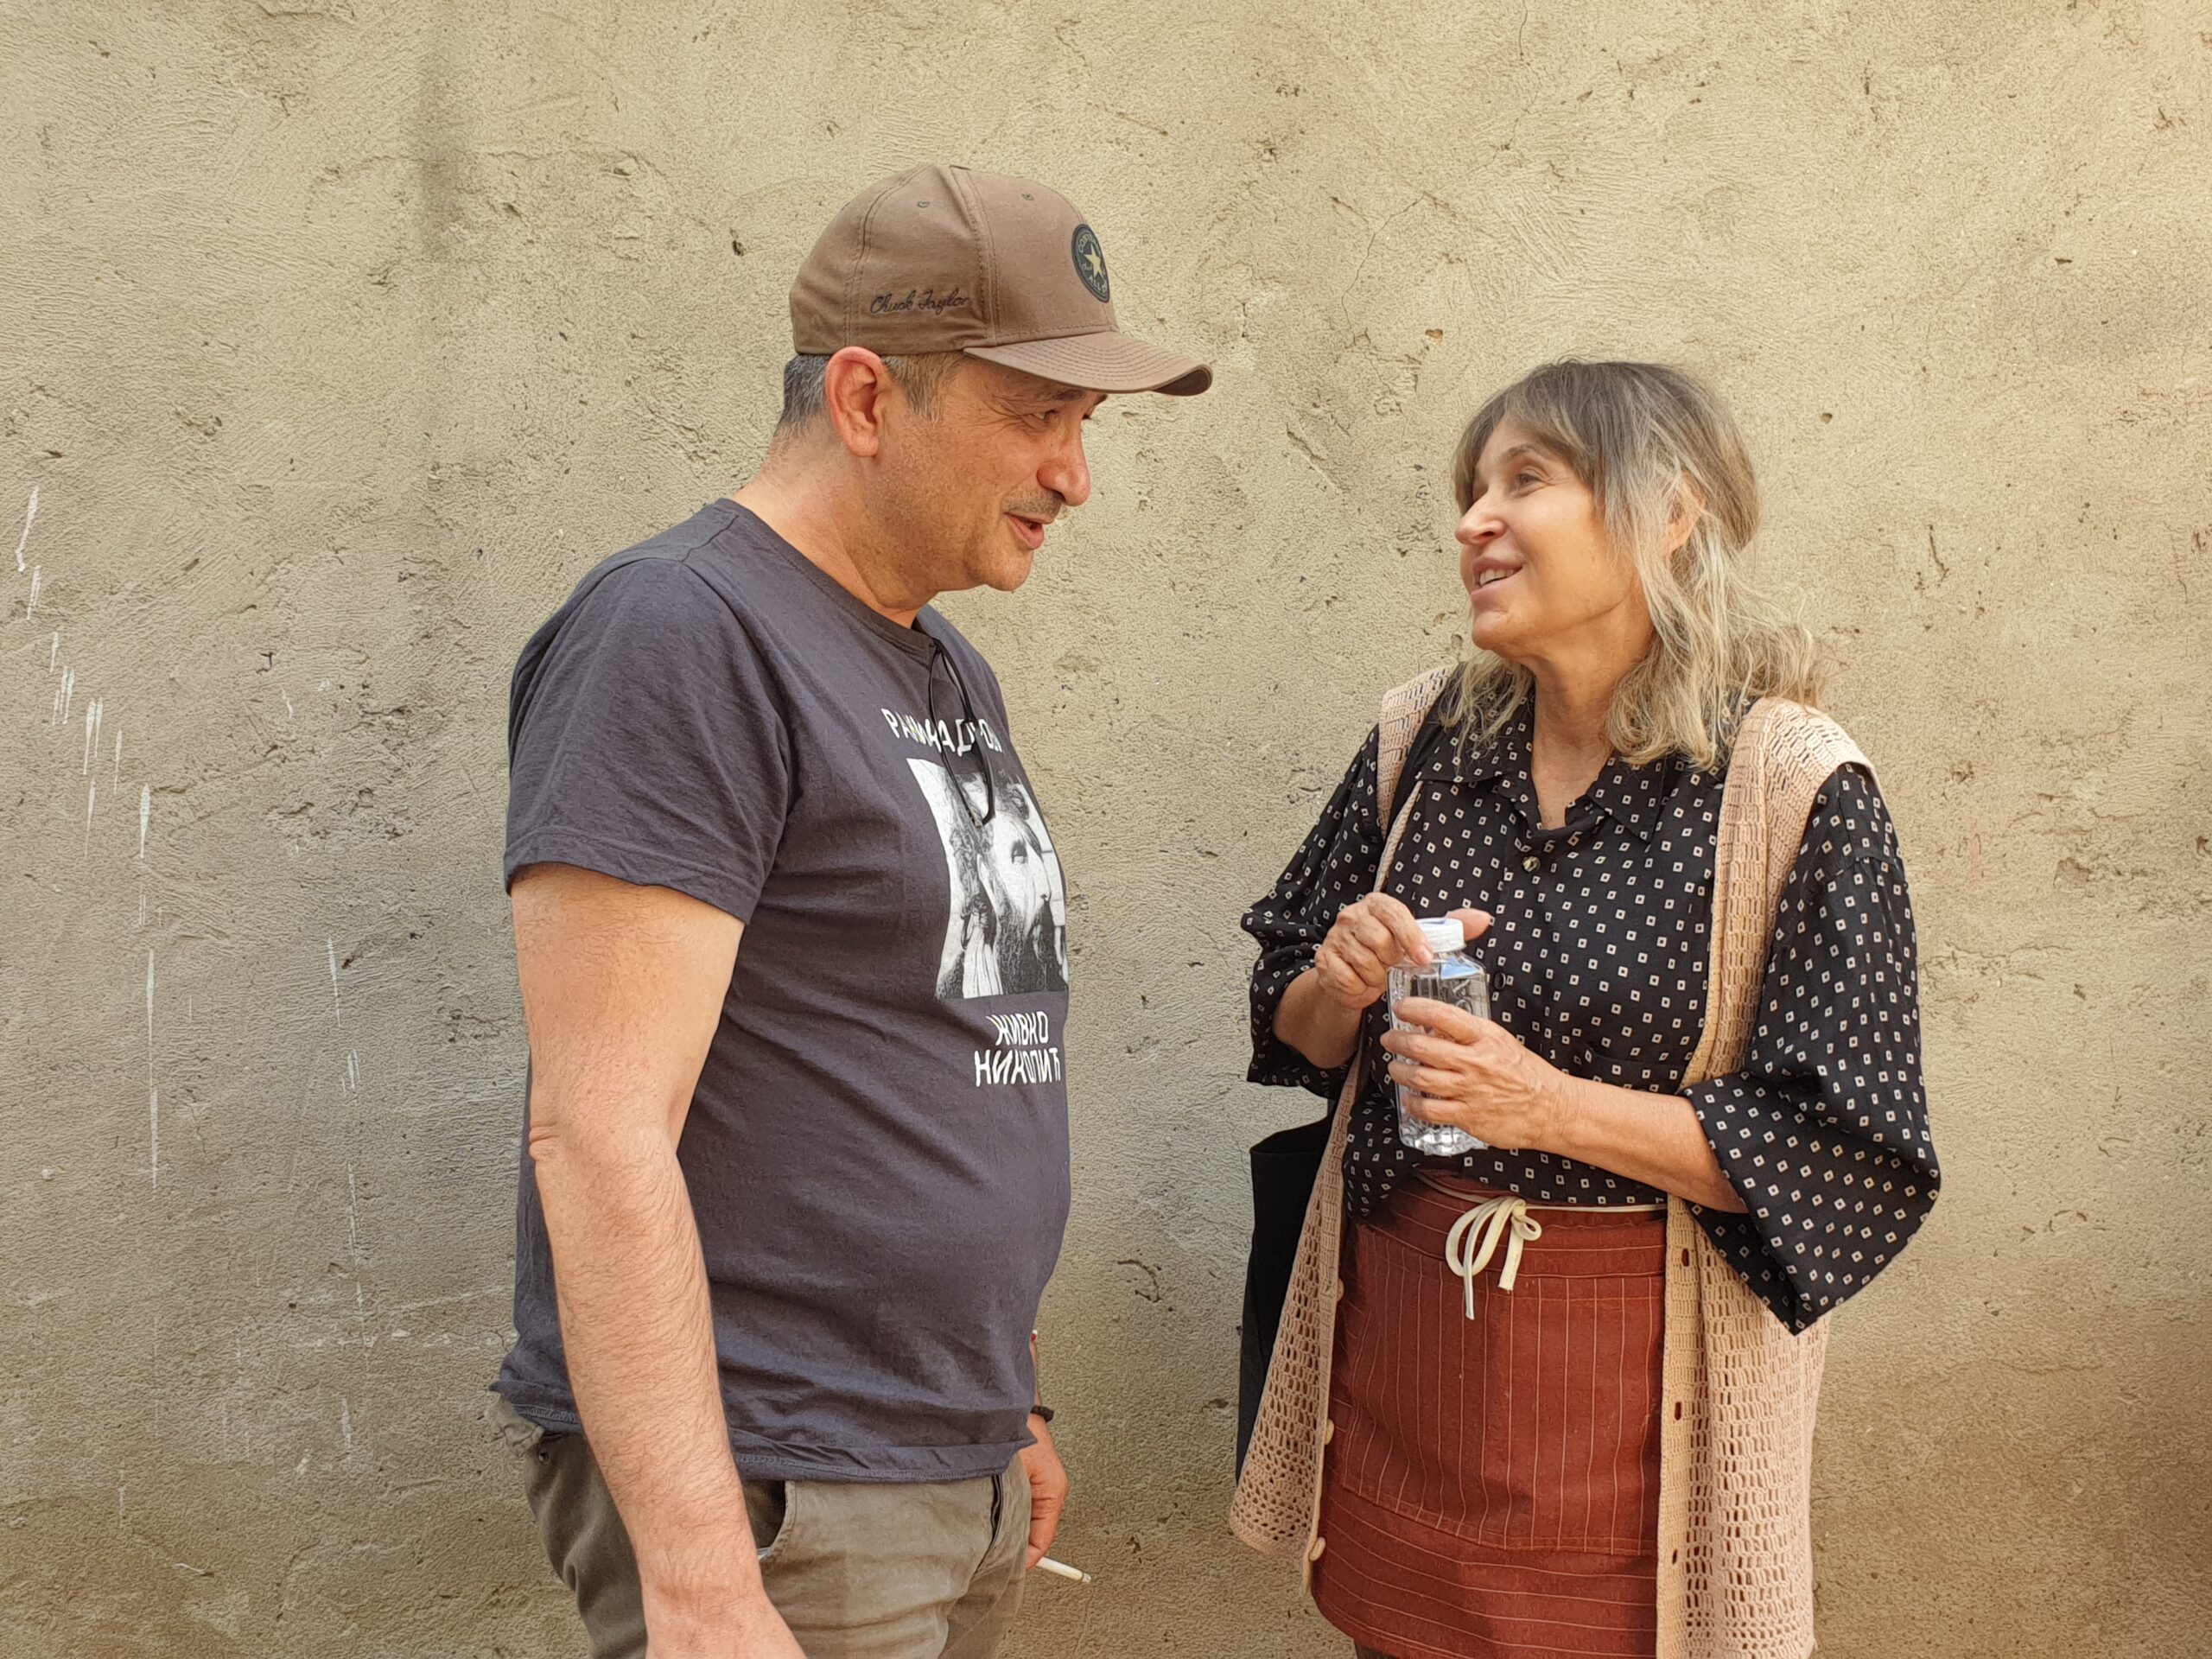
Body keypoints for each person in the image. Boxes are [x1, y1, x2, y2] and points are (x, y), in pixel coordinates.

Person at [489, 163, 1210, 1659]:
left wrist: (1000, 1396)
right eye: (1041, 415)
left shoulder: (941, 662)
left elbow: (942, 1040)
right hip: (781, 1484)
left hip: (940, 1453)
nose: (1076, 474)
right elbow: (597, 1130)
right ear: (868, 398)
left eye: (1086, 424)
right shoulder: (682, 633)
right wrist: (701, 1580)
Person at [1231, 360, 1938, 1659]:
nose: (1474, 521)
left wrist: (1543, 1107)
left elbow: (1842, 1153)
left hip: (1634, 1403)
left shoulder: (1788, 786)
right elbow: (1295, 1022)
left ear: (1668, 511)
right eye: (1471, 489)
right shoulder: (1429, 737)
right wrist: (1337, 980)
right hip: (1405, 1352)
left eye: (1527, 479)